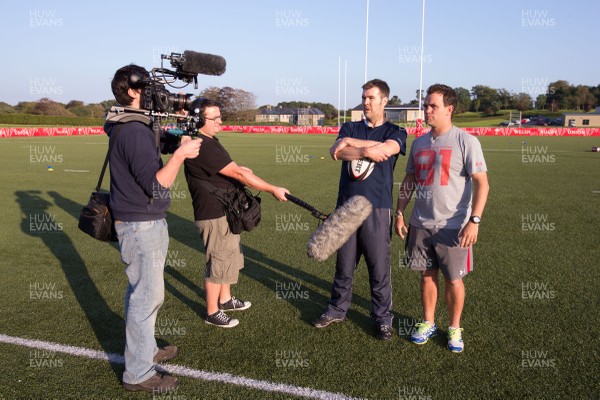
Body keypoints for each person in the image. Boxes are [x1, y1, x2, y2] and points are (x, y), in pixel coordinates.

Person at [104, 64, 202, 393]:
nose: (155, 93)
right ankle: (139, 373)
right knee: (146, 296)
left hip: (144, 221)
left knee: (148, 293)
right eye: (148, 87)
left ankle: (146, 350)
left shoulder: (137, 124)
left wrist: (181, 135)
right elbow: (156, 186)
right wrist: (182, 156)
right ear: (131, 92)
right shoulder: (132, 130)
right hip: (139, 224)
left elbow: (160, 143)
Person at [395, 84, 489, 353]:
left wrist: (475, 220)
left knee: (453, 279)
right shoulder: (420, 142)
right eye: (426, 105)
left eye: (433, 106)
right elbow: (409, 180)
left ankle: (455, 326)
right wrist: (400, 213)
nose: (427, 110)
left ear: (449, 109)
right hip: (420, 223)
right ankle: (428, 322)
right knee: (426, 276)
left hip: (453, 226)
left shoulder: (466, 141)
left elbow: (483, 183)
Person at [313, 79, 407, 340]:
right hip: (346, 208)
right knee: (344, 266)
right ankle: (336, 309)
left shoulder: (396, 130)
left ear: (384, 101)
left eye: (371, 98)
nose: (365, 102)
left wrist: (351, 143)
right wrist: (355, 146)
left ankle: (382, 318)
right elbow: (337, 153)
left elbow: (386, 151)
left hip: (377, 208)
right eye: (364, 97)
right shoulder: (349, 125)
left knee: (379, 268)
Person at [184, 98, 289, 328]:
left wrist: (241, 170)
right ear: (200, 120)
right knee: (218, 260)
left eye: (220, 116)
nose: (220, 120)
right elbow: (238, 175)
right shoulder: (202, 145)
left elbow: (229, 171)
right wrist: (272, 189)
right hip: (213, 214)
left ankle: (226, 299)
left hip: (225, 210)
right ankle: (212, 312)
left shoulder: (208, 140)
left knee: (230, 256)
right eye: (215, 118)